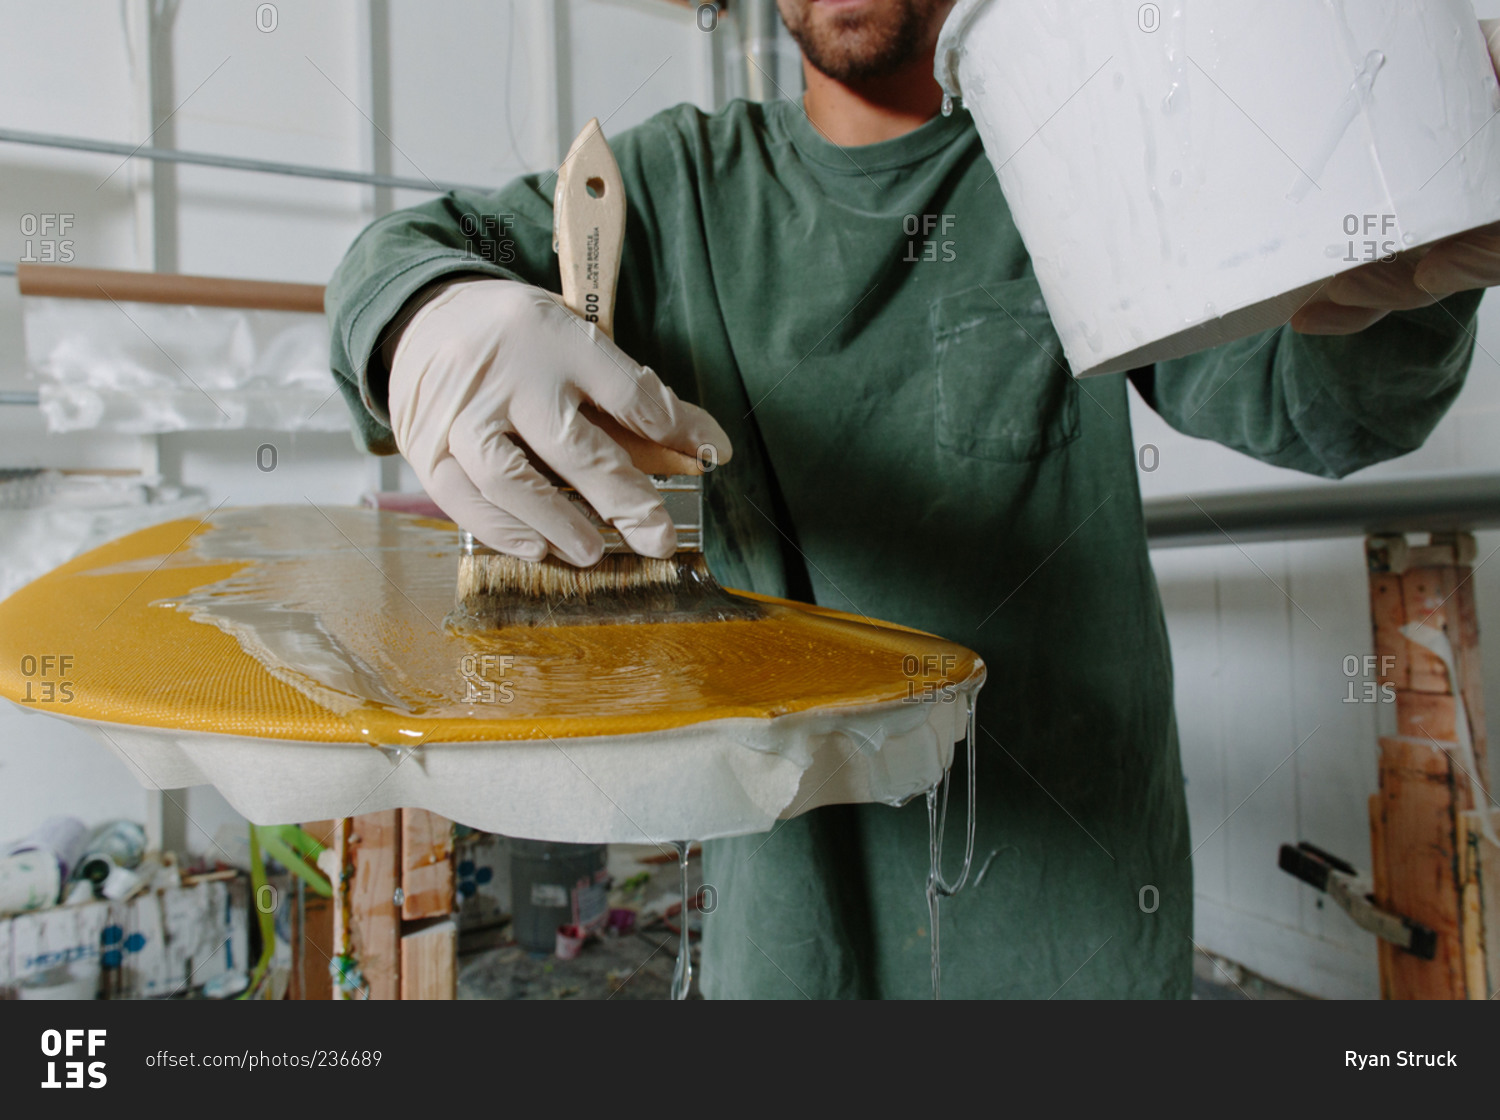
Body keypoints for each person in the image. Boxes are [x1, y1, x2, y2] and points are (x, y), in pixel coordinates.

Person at [326, 0, 1500, 997]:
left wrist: (1410, 276)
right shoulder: (670, 185)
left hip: (1066, 913)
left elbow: (1315, 405)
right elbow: (408, 249)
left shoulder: (1080, 169)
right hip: (787, 911)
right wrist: (427, 319)